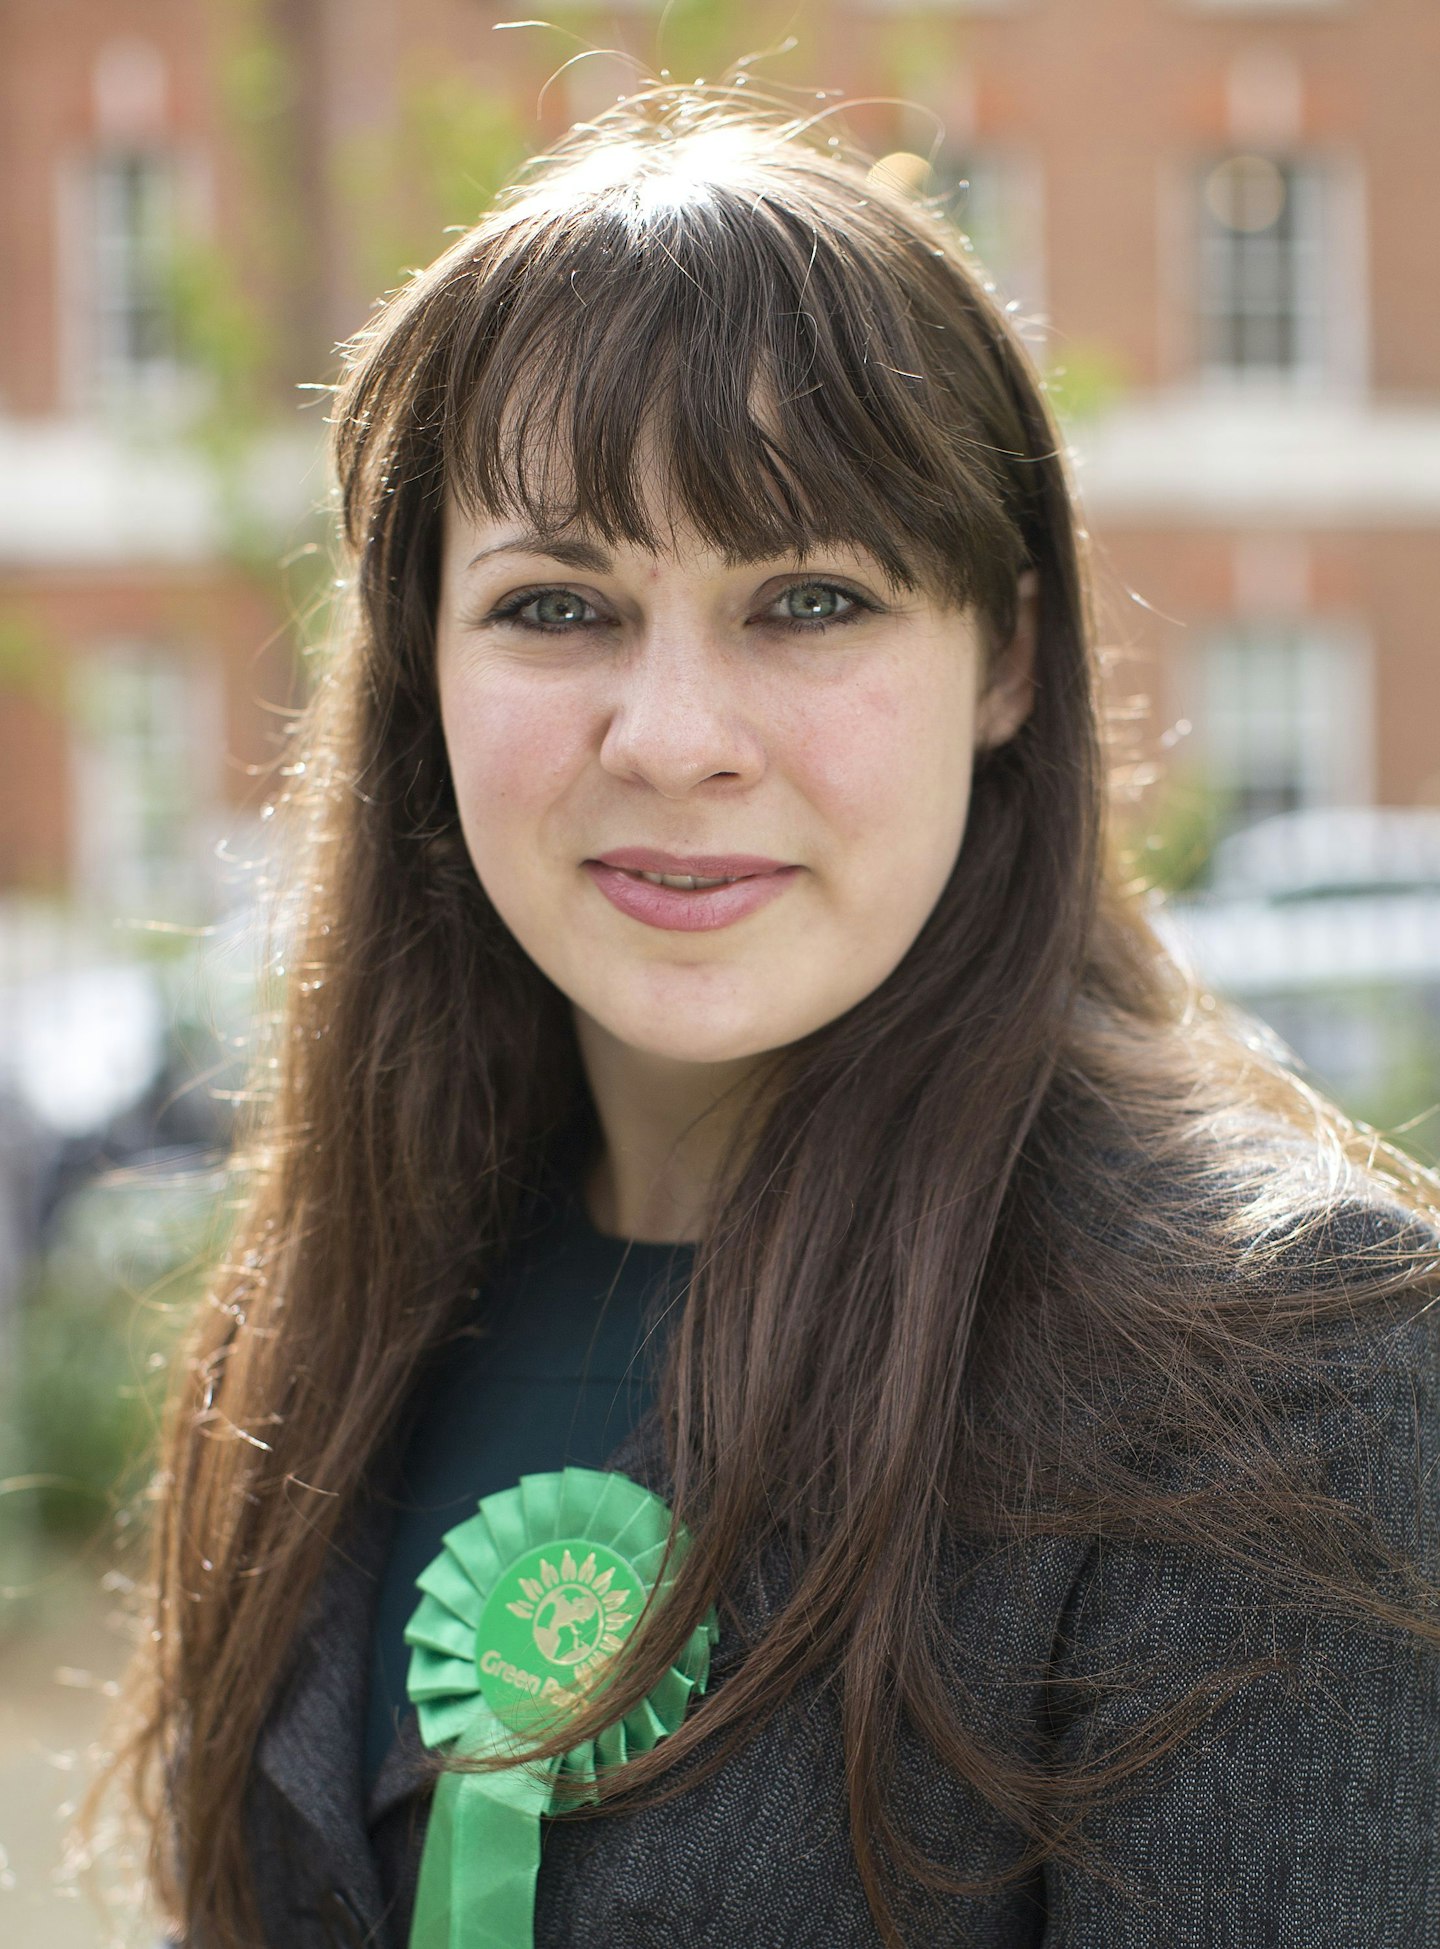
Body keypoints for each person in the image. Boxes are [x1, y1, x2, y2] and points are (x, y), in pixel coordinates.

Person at [99, 82, 1440, 1949]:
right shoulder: (332, 1307)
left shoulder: (1290, 1367)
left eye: (807, 597)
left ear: (1009, 657)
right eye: (558, 607)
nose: (670, 737)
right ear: (420, 661)